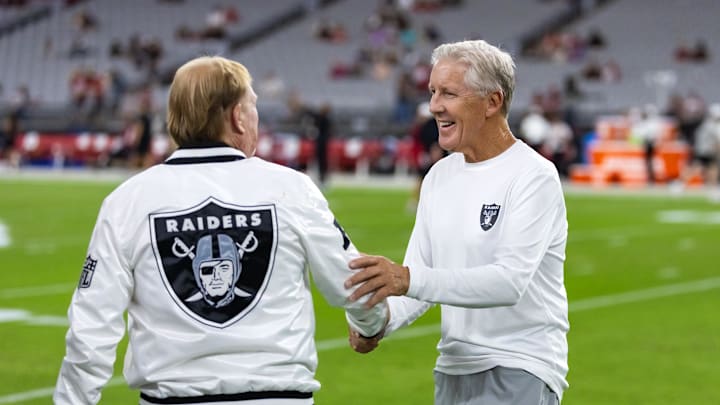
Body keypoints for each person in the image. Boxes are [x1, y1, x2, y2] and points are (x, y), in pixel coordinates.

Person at [54, 56, 387, 405]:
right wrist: (371, 325)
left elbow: (91, 326)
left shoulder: (128, 201)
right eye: (253, 105)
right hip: (278, 396)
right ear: (237, 117)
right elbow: (355, 283)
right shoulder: (291, 189)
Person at [344, 40, 569, 404]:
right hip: (452, 369)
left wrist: (406, 279)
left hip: (519, 367)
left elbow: (507, 282)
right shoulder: (438, 176)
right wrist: (379, 320)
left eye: (449, 93)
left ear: (492, 102)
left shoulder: (533, 176)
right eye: (433, 92)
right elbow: (421, 275)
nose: (434, 106)